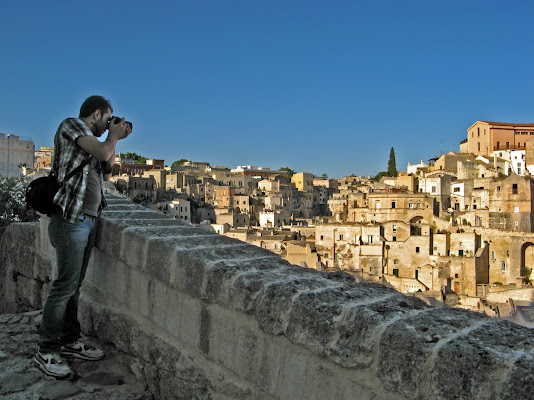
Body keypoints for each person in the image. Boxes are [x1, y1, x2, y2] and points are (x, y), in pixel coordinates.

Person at [34, 95, 132, 378]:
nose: (108, 125)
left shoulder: (96, 142)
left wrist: (116, 140)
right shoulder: (73, 126)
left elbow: (106, 171)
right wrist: (111, 138)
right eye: (108, 118)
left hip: (89, 219)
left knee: (74, 286)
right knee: (64, 286)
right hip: (70, 218)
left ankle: (70, 339)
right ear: (98, 113)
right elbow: (102, 152)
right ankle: (47, 350)